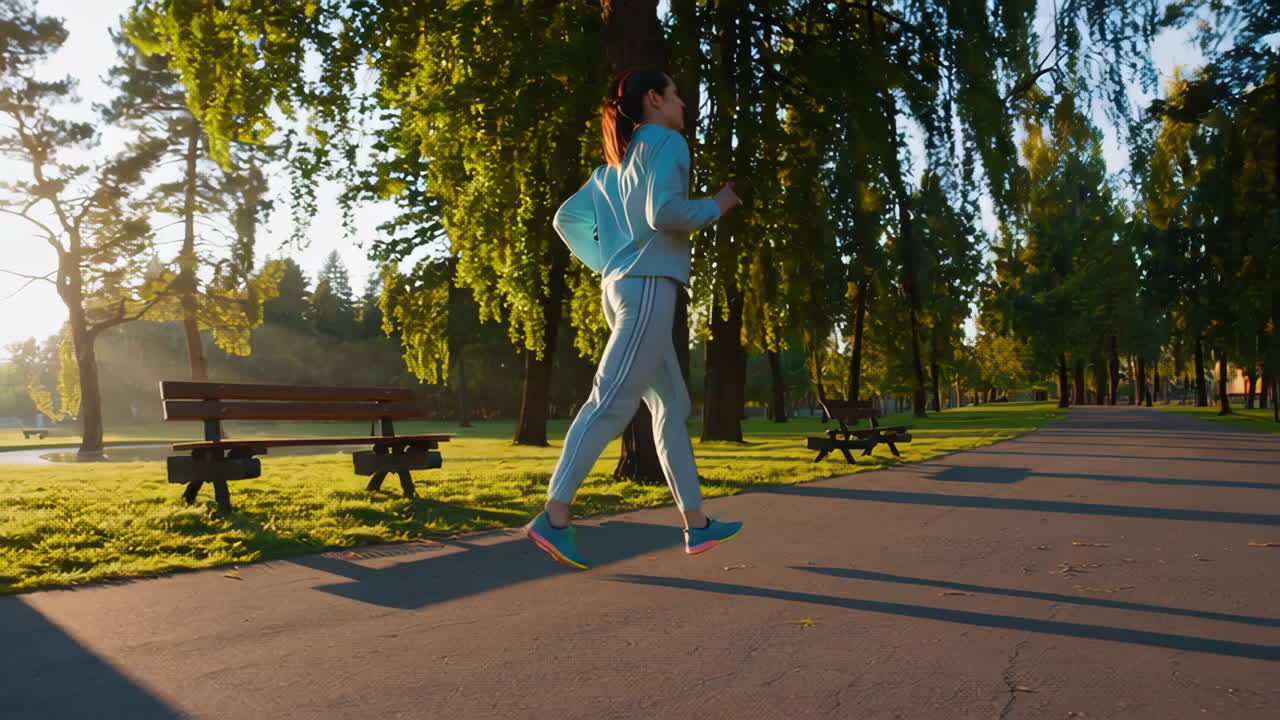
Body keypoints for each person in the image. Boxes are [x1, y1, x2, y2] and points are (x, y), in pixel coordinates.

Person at [525, 69, 742, 570]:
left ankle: (696, 523)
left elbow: (567, 220)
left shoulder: (611, 168)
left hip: (624, 287)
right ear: (654, 99)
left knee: (672, 404)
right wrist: (716, 204)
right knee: (610, 401)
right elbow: (663, 213)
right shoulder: (665, 142)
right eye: (676, 94)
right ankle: (553, 517)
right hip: (646, 287)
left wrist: (608, 261)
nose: (683, 103)